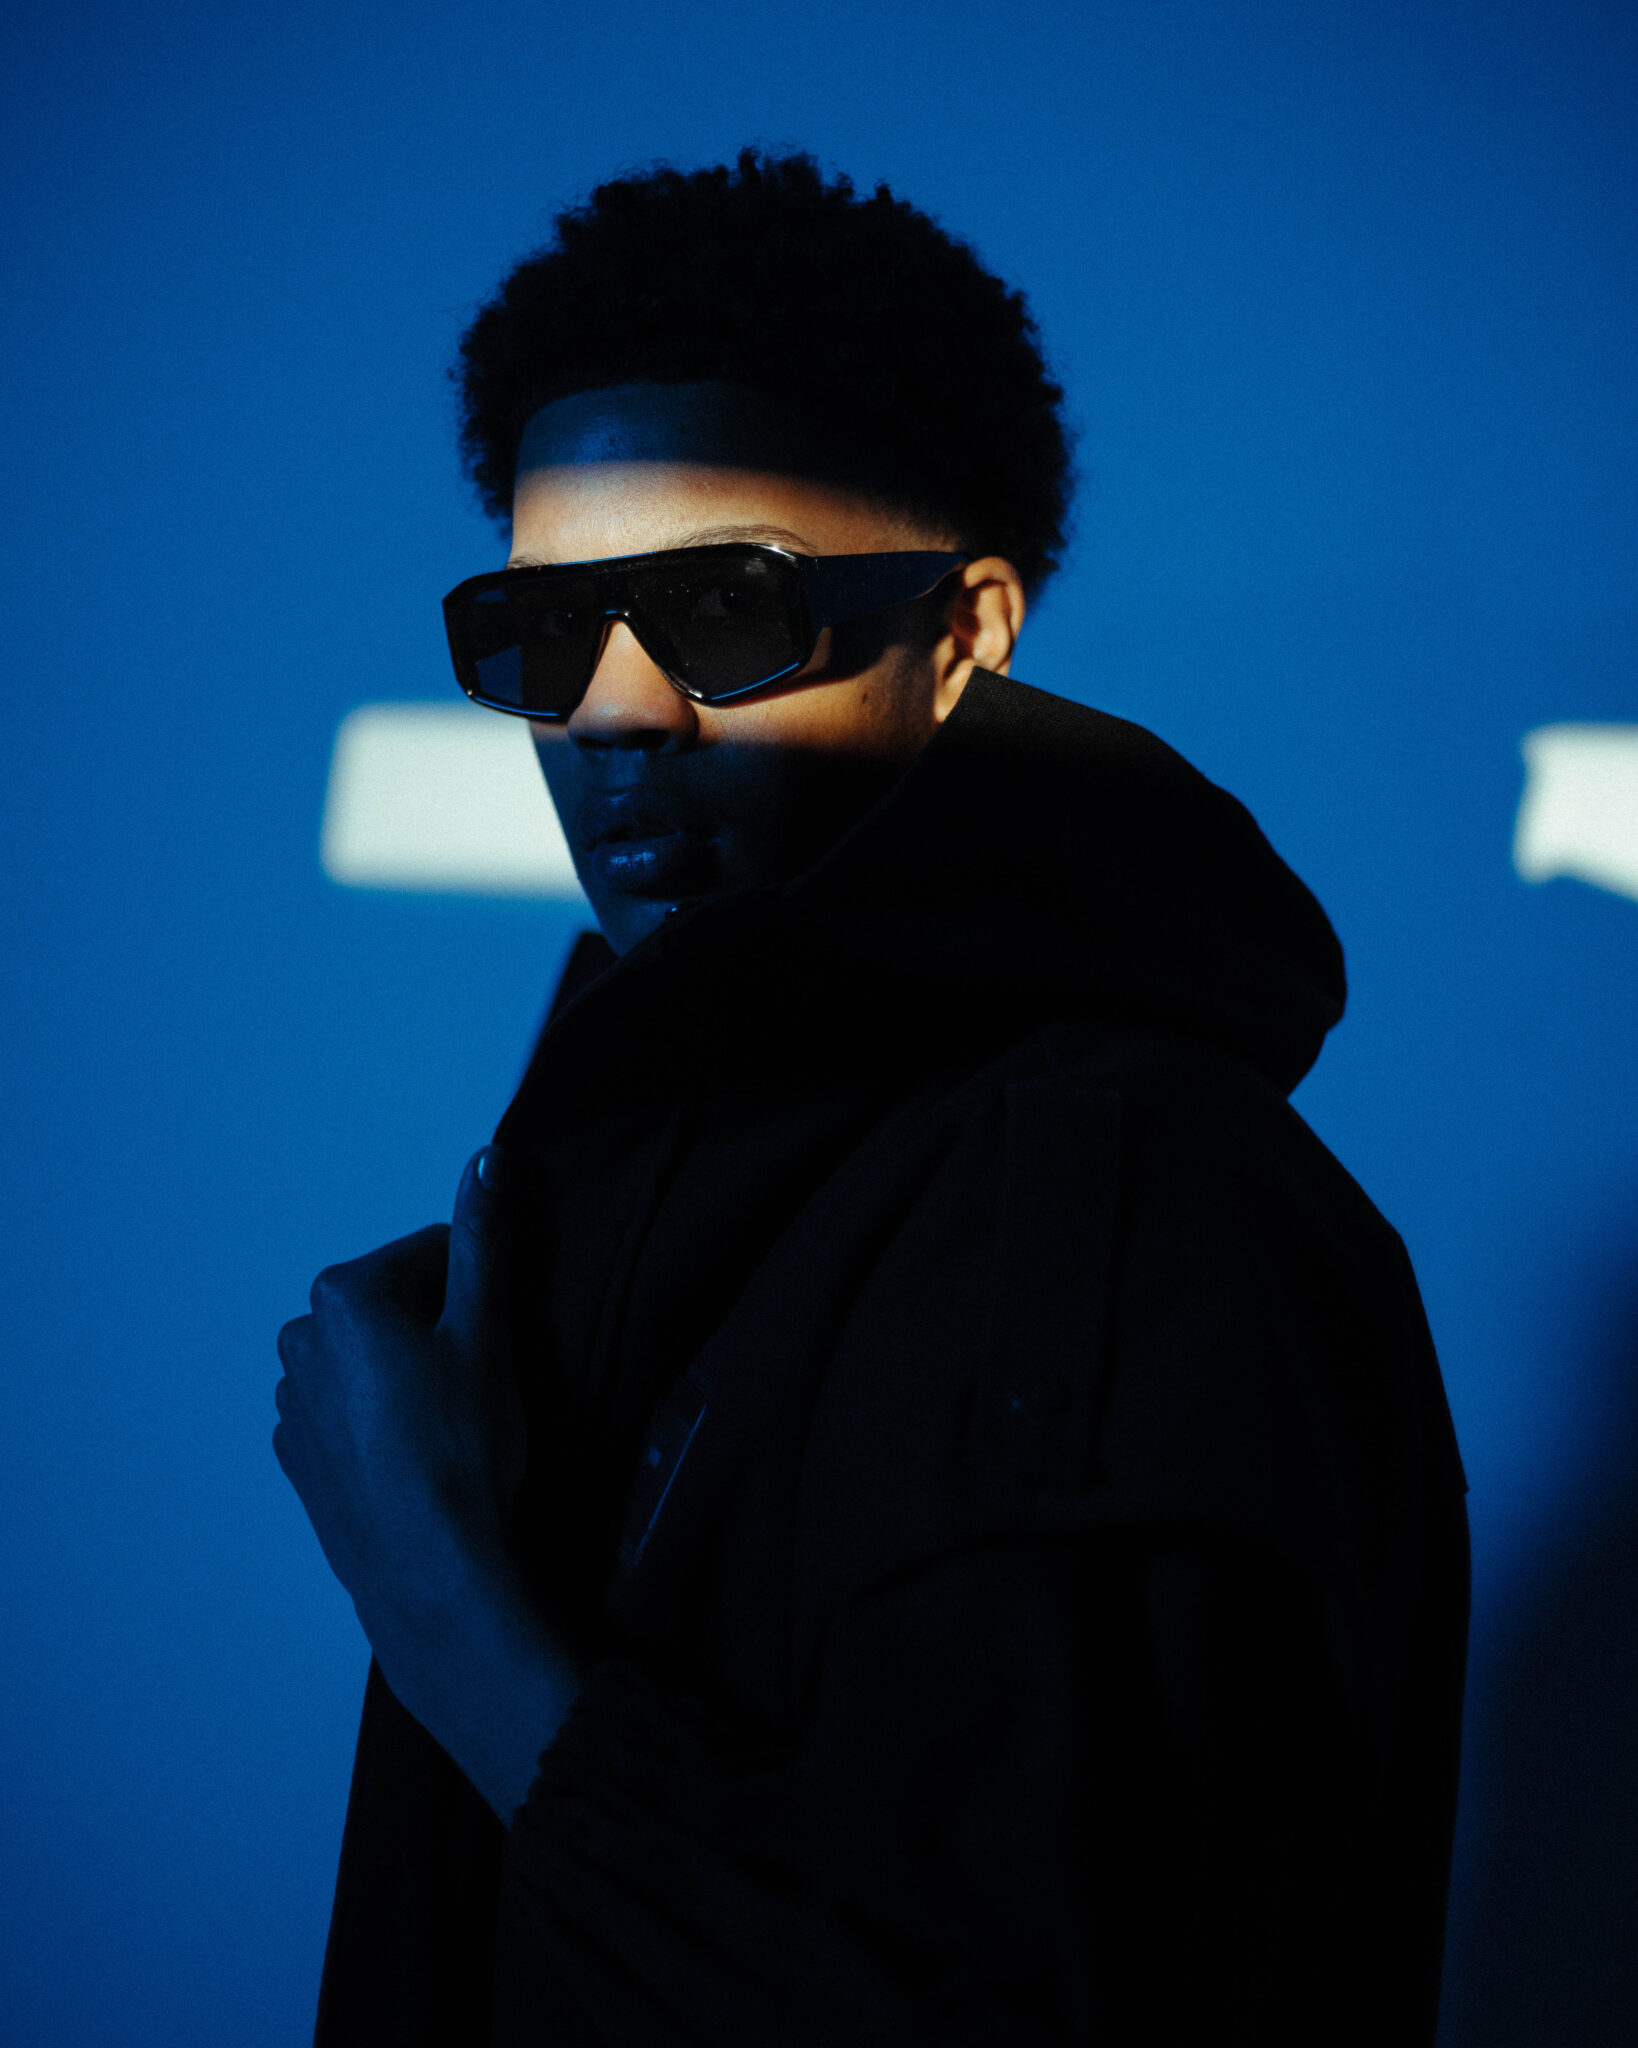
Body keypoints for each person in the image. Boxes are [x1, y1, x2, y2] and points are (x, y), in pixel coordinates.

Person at [274, 150, 1470, 2046]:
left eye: (718, 609)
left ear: (966, 627)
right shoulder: (655, 1177)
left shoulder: (1123, 1194)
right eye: (542, 632)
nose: (614, 713)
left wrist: (433, 1592)